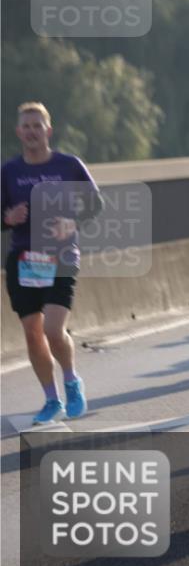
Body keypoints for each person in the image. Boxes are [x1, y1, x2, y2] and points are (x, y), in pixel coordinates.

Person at [2, 102, 103, 424]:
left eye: (37, 126)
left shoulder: (69, 165)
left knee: (53, 329)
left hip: (61, 257)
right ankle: (51, 399)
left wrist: (71, 223)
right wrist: (8, 217)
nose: (32, 132)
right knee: (33, 334)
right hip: (24, 260)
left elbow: (95, 204)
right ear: (19, 132)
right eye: (26, 126)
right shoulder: (9, 172)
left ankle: (72, 381)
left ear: (48, 130)